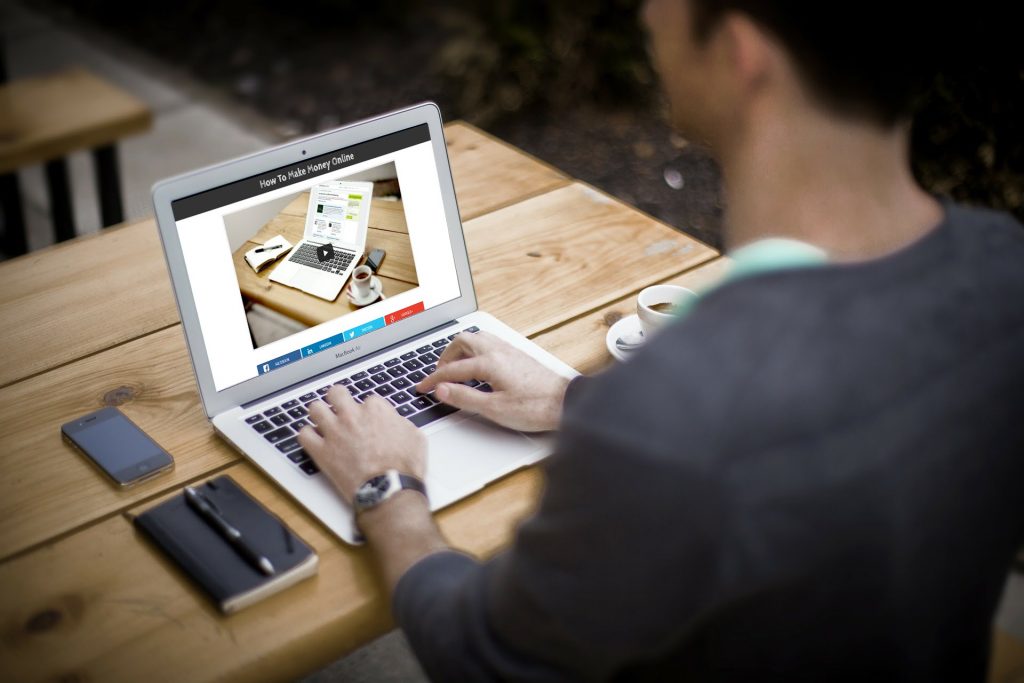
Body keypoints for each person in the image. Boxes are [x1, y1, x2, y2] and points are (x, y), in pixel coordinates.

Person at [298, 0, 1024, 679]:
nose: (645, 10)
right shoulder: (1003, 271)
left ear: (742, 52)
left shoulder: (676, 412)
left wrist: (387, 487)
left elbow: (479, 654)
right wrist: (573, 398)